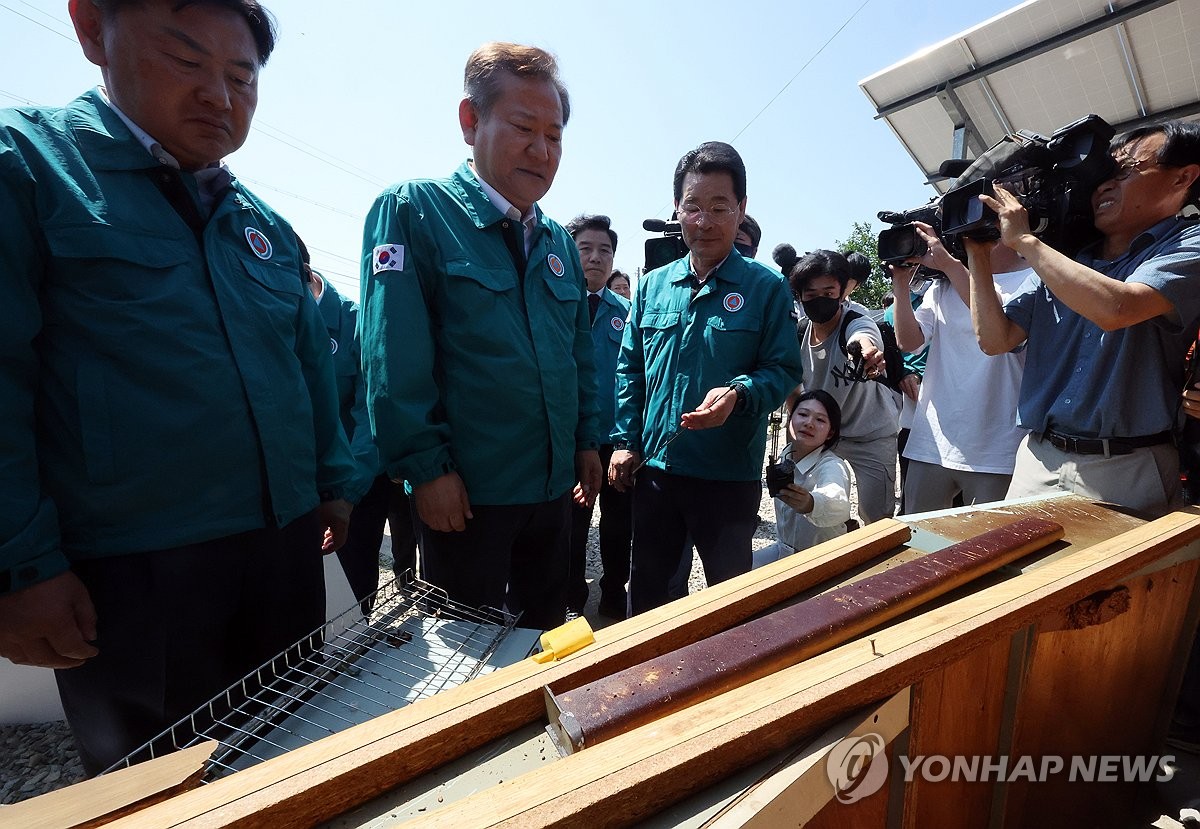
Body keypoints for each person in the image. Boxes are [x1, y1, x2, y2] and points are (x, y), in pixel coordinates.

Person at [0, 0, 356, 775]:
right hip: (134, 576)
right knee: (160, 785)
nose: (219, 98)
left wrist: (330, 482)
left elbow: (307, 370)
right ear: (95, 29)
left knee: (288, 760)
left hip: (281, 550)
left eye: (241, 78)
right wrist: (18, 567)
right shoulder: (26, 165)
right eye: (188, 62)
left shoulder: (261, 223)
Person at [360, 43, 601, 631]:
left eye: (555, 136)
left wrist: (588, 439)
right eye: (524, 127)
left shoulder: (559, 244)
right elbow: (393, 354)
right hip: (467, 499)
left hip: (551, 495)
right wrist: (425, 469)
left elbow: (579, 358)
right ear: (471, 121)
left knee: (546, 641)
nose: (542, 151)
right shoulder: (415, 211)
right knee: (465, 665)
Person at [609, 141, 803, 615]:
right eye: (693, 207)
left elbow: (783, 370)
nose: (704, 220)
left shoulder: (766, 289)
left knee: (728, 604)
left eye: (719, 207)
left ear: (741, 209)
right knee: (649, 596)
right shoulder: (654, 284)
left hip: (726, 476)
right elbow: (630, 369)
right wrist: (625, 440)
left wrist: (741, 393)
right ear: (677, 210)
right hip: (656, 471)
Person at [969, 120, 1200, 515]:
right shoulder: (1068, 259)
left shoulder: (1189, 243)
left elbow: (1118, 308)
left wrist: (1026, 241)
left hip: (1128, 468)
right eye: (1102, 176)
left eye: (1124, 172)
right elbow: (996, 339)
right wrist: (976, 251)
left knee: (1115, 579)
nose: (1103, 185)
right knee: (1022, 575)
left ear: (1183, 177)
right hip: (1038, 457)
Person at [299, 239, 416, 605]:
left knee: (348, 586)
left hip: (356, 479)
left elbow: (371, 414)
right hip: (295, 481)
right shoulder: (267, 315)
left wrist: (344, 494)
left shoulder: (356, 322)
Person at [889, 224, 1028, 514]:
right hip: (934, 440)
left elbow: (999, 328)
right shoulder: (943, 285)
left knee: (985, 548)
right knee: (918, 540)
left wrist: (951, 266)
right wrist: (901, 284)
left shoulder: (1033, 277)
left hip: (997, 445)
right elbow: (910, 341)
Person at [776, 246, 900, 524]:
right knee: (807, 502)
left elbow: (864, 338)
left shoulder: (855, 322)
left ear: (843, 292)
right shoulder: (799, 331)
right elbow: (793, 386)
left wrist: (866, 351)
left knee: (876, 514)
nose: (821, 299)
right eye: (811, 294)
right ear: (800, 295)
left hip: (870, 434)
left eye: (829, 293)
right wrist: (793, 429)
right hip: (821, 430)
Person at [565, 214, 632, 619]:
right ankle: (571, 590)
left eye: (604, 251)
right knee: (572, 521)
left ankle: (612, 589)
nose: (595, 258)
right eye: (585, 249)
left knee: (618, 524)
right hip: (569, 438)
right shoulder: (552, 304)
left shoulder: (629, 312)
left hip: (615, 438)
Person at [754, 390, 851, 568]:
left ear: (830, 433)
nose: (809, 423)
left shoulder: (832, 465)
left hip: (822, 559)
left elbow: (838, 503)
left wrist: (812, 503)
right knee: (736, 571)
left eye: (820, 420)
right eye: (803, 414)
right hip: (784, 550)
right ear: (790, 419)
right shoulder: (785, 454)